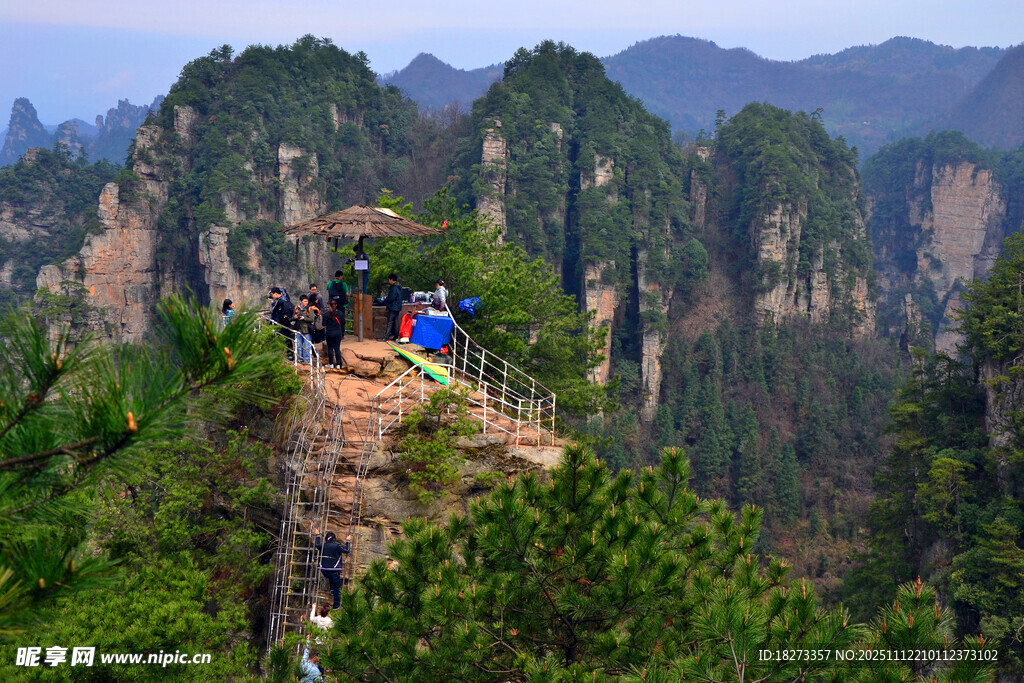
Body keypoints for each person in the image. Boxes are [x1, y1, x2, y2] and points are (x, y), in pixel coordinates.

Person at [313, 527, 351, 609]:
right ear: (334, 538)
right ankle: (336, 605)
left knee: (331, 577)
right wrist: (348, 540)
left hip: (324, 570)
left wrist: (317, 535)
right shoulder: (337, 545)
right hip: (334, 570)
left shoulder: (323, 545)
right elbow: (347, 550)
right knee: (337, 588)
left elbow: (317, 544)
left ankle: (332, 590)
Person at [268, 287, 295, 359]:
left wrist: (272, 302)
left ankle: (277, 354)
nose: (273, 296)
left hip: (281, 323)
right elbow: (284, 290)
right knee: (288, 339)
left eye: (273, 294)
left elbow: (274, 310)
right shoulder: (286, 298)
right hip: (287, 322)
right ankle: (290, 355)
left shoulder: (280, 301)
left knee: (278, 338)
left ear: (275, 294)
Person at [292, 295, 314, 364]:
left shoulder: (309, 309)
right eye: (305, 301)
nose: (306, 303)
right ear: (300, 301)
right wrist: (295, 317)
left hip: (306, 330)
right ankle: (300, 358)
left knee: (307, 346)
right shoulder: (296, 308)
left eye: (307, 301)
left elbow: (312, 319)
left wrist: (304, 318)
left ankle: (307, 360)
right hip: (298, 329)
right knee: (299, 345)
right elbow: (292, 317)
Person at [381, 273, 403, 342]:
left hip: (393, 306)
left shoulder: (394, 288)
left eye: (389, 279)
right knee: (396, 322)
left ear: (391, 279)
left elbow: (391, 298)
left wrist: (384, 301)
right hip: (398, 307)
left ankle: (386, 337)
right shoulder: (399, 287)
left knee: (390, 322)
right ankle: (396, 336)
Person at [323, 299, 344, 369]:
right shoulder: (340, 314)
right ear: (336, 305)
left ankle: (331, 363)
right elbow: (343, 322)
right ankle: (338, 364)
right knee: (337, 348)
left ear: (329, 305)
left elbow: (323, 324)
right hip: (338, 333)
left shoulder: (326, 315)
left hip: (329, 333)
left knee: (330, 348)